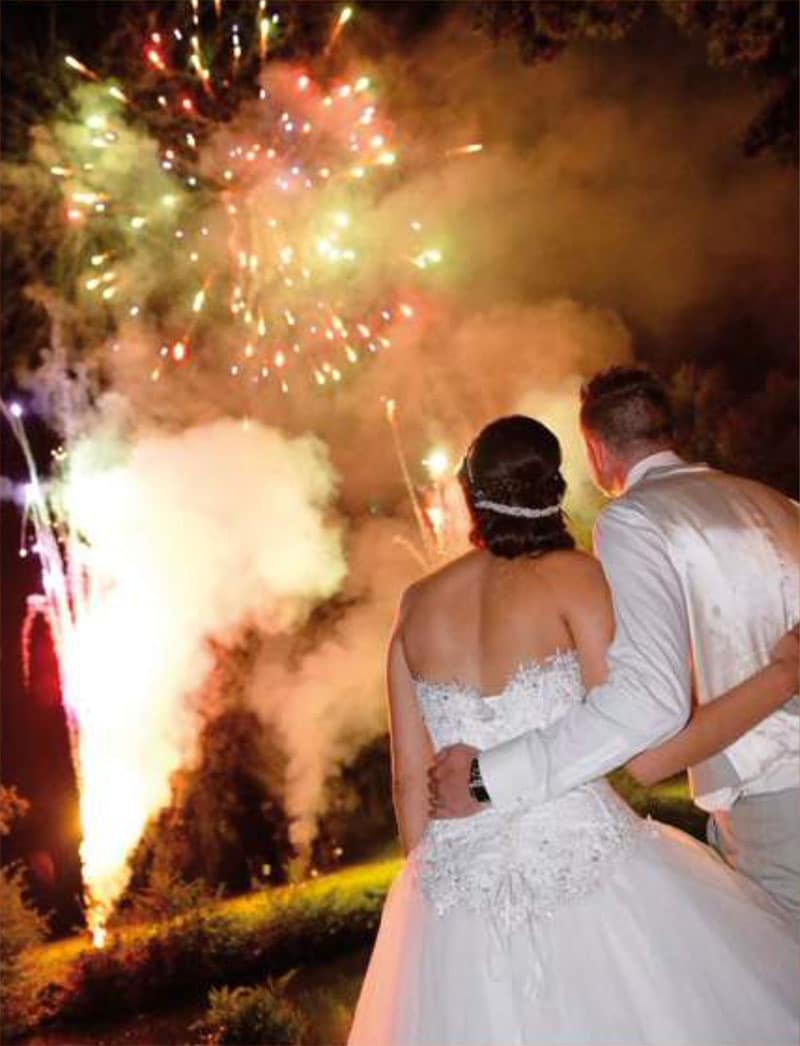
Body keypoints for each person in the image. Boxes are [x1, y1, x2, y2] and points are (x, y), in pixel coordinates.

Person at [348, 415, 798, 1046]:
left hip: (455, 879)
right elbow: (625, 714)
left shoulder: (417, 604)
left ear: (470, 496)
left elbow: (407, 781)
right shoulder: (579, 578)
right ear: (555, 488)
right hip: (585, 863)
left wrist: (432, 891)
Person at [433, 366, 800, 918]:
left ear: (597, 449)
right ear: (667, 431)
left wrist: (489, 779)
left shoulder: (634, 519)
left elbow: (650, 701)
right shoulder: (777, 502)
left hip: (774, 804)